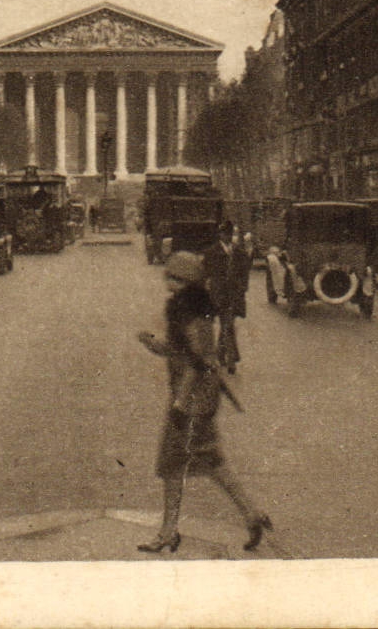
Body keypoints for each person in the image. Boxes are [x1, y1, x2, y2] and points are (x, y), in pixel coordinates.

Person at [136, 249, 272, 554]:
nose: (167, 280)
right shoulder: (189, 307)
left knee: (172, 467)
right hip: (202, 399)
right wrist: (153, 345)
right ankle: (253, 515)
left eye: (174, 277)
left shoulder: (188, 311)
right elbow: (180, 350)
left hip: (192, 402)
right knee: (213, 463)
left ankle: (168, 532)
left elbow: (198, 361)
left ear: (185, 281)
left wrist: (180, 405)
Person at [204, 220, 252, 372]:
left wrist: (243, 287)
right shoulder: (211, 252)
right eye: (225, 234)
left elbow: (245, 273)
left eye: (230, 234)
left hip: (235, 294)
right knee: (227, 325)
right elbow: (206, 274)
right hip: (218, 295)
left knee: (227, 324)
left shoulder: (239, 253)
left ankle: (220, 354)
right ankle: (231, 360)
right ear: (220, 235)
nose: (228, 237)